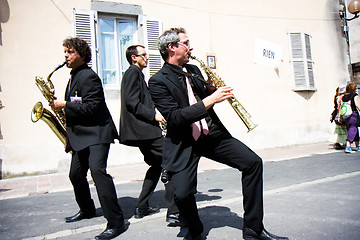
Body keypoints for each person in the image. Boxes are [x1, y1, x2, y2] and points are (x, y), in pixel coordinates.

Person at [148, 27, 288, 240]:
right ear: (172, 47)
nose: (190, 46)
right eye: (186, 42)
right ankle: (194, 229)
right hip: (184, 142)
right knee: (183, 193)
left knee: (253, 163)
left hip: (210, 134)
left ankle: (253, 229)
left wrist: (212, 89)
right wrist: (210, 99)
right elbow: (175, 117)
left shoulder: (193, 70)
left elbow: (199, 96)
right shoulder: (157, 81)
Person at [49, 37, 126, 240]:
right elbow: (78, 104)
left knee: (98, 172)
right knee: (75, 174)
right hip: (82, 134)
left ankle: (116, 222)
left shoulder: (89, 77)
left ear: (82, 55)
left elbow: (92, 107)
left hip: (97, 132)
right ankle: (87, 209)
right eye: (65, 52)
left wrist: (65, 104)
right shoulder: (74, 75)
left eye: (70, 52)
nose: (66, 55)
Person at [119, 45, 184, 226]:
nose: (147, 58)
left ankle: (141, 206)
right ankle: (174, 212)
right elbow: (132, 102)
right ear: (134, 58)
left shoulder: (136, 73)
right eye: (144, 55)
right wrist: (154, 115)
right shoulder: (133, 72)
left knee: (156, 166)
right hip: (145, 130)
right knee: (171, 163)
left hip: (142, 131)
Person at [340, 83, 360, 153]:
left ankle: (358, 145)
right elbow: (357, 105)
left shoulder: (344, 97)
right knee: (353, 129)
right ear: (354, 89)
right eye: (356, 88)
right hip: (353, 114)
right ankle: (348, 146)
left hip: (346, 115)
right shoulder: (355, 95)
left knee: (353, 128)